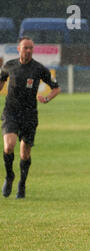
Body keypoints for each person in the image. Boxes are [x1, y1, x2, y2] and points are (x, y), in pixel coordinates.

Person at [0, 37, 60, 198]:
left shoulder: (38, 69)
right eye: (26, 48)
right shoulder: (9, 66)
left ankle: (22, 184)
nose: (28, 51)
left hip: (29, 115)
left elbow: (56, 88)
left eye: (31, 48)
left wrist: (47, 98)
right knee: (8, 146)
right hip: (11, 112)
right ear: (18, 48)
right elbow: (1, 81)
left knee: (25, 154)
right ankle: (10, 176)